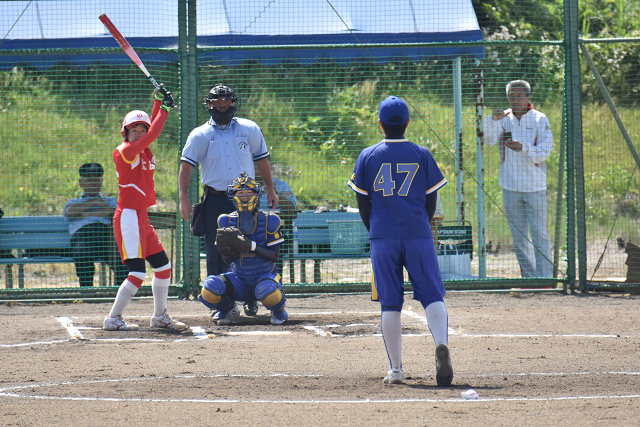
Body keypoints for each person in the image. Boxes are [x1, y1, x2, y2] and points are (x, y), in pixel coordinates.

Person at [347, 95, 453, 387]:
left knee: (390, 304)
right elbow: (431, 201)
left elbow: (363, 204)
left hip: (383, 236)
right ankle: (441, 343)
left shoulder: (368, 155)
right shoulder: (421, 153)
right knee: (433, 295)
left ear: (380, 124)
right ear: (408, 122)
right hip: (418, 234)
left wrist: (377, 229)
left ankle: (395, 369)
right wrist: (419, 223)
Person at [103, 84, 187, 332]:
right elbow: (153, 133)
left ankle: (160, 316)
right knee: (137, 273)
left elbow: (150, 133)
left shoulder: (143, 149)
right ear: (125, 133)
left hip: (142, 217)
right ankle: (113, 318)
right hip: (128, 217)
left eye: (142, 129)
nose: (139, 134)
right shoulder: (125, 152)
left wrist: (158, 103)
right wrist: (164, 111)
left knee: (163, 267)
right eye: (134, 130)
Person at [178, 83, 279, 279]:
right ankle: (221, 300)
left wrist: (270, 189)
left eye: (226, 101)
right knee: (216, 249)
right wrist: (183, 197)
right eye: (217, 102)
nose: (222, 106)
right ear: (209, 105)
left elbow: (262, 159)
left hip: (246, 198)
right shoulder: (200, 134)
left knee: (251, 243)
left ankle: (252, 292)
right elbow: (186, 166)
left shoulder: (249, 129)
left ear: (234, 103)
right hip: (214, 199)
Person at [198, 172, 289, 326]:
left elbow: (274, 256)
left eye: (249, 193)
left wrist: (251, 246)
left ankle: (278, 310)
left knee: (267, 291)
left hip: (265, 276)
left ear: (257, 195)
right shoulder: (225, 220)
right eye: (240, 193)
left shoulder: (270, 220)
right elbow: (225, 260)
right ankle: (227, 308)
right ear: (233, 196)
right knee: (209, 288)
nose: (245, 197)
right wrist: (235, 248)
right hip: (239, 278)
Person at [483, 80, 553, 278]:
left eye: (519, 96)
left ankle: (546, 278)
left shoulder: (540, 119)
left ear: (528, 98)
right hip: (510, 185)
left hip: (535, 187)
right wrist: (492, 120)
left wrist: (524, 147)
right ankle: (530, 278)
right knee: (519, 237)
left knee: (540, 234)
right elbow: (488, 140)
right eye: (511, 96)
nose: (515, 100)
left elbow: (544, 152)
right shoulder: (503, 118)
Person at [63, 163, 128, 287]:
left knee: (122, 257)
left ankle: (120, 292)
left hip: (106, 236)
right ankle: (87, 291)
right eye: (89, 180)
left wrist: (83, 214)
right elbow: (70, 212)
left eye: (97, 180)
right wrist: (94, 202)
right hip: (83, 236)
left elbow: (112, 211)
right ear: (81, 182)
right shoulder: (73, 202)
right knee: (82, 254)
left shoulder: (110, 201)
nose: (93, 184)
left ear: (101, 181)